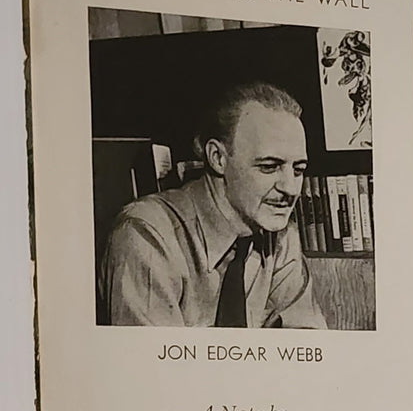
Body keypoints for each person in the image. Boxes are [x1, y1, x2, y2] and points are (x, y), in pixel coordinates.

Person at [99, 80, 327, 328]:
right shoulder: (146, 235)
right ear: (218, 158)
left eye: (299, 169)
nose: (290, 189)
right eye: (269, 167)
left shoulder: (281, 234)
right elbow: (152, 364)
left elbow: (305, 347)